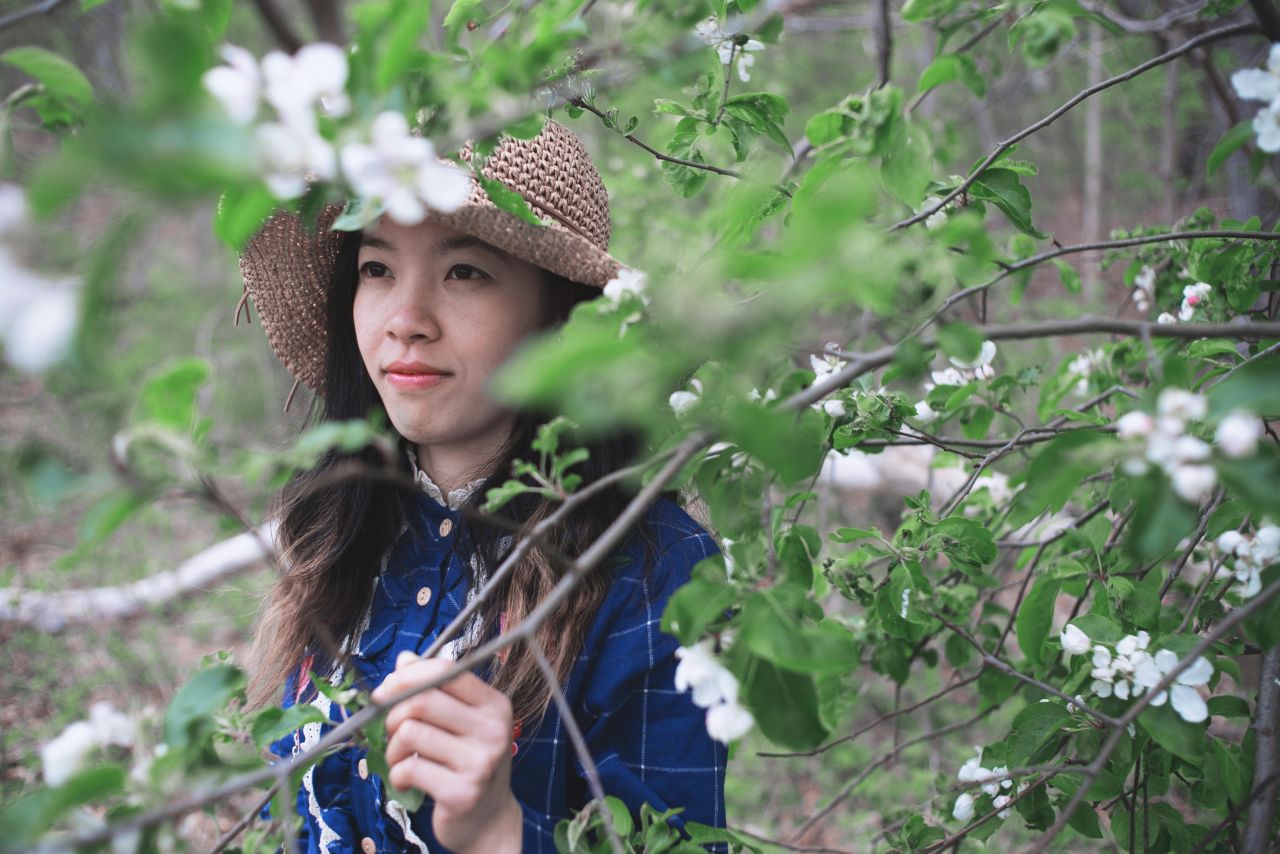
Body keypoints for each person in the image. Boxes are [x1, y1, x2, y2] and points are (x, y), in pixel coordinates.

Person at [237, 118, 728, 853]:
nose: (406, 320)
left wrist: (500, 830)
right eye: (376, 269)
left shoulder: (656, 569)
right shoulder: (334, 532)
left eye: (465, 271)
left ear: (561, 317)